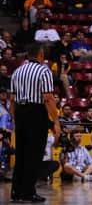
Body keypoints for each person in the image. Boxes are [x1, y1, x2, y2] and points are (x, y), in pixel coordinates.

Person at [10, 43, 60, 202]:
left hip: (20, 112)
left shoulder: (17, 71)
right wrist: (56, 121)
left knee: (22, 153)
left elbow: (12, 100)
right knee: (34, 153)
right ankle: (28, 192)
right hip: (36, 112)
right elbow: (48, 98)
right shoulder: (44, 70)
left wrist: (14, 118)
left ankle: (16, 192)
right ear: (40, 54)